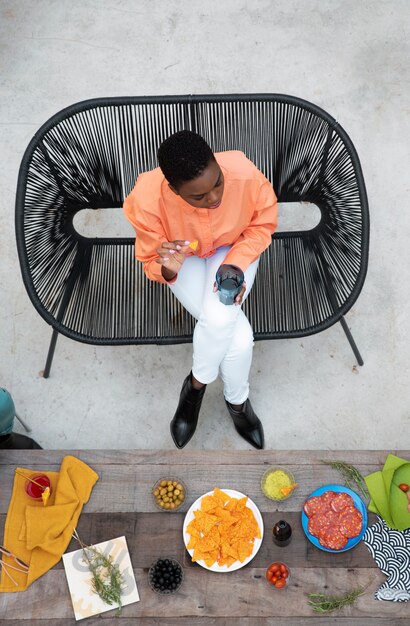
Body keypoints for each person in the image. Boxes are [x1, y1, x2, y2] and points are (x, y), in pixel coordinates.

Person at [123, 131, 277, 449]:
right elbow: (152, 261)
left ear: (218, 164)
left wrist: (235, 263)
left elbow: (262, 224)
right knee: (238, 335)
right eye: (198, 197)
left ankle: (194, 388)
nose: (214, 198)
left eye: (217, 182)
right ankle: (238, 403)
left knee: (222, 321)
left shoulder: (244, 172)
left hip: (233, 247)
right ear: (173, 189)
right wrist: (170, 267)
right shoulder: (146, 201)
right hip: (186, 258)